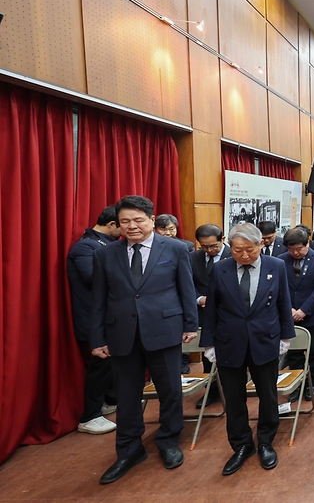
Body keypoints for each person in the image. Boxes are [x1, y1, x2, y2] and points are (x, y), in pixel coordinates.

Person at [88, 196, 199, 484]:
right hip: (121, 334)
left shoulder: (175, 248)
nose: (132, 226)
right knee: (126, 396)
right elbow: (98, 299)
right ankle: (128, 449)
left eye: (138, 220)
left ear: (152, 220)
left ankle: (168, 441)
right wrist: (97, 337)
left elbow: (186, 288)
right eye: (125, 221)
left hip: (164, 329)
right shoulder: (105, 254)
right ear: (118, 224)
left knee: (170, 390)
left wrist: (190, 323)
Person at [200, 223, 294, 475]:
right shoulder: (221, 269)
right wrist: (208, 343)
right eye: (237, 250)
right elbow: (212, 309)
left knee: (268, 393)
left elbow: (284, 302)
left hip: (265, 339)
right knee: (234, 398)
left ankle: (265, 441)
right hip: (229, 341)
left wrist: (286, 336)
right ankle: (241, 444)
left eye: (249, 250)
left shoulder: (276, 266)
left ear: (261, 244)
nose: (243, 256)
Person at [67, 206, 121, 436]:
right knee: (100, 366)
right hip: (94, 319)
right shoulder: (85, 246)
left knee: (110, 364)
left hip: (111, 316)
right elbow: (92, 277)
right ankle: (90, 416)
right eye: (122, 224)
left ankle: (109, 402)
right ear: (111, 224)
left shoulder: (104, 244)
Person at [278, 227, 314, 402]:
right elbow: (279, 289)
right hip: (289, 314)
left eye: (299, 248)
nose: (295, 253)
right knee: (293, 352)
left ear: (308, 243)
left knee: (313, 352)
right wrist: (290, 310)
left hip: (312, 314)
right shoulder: (280, 261)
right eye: (291, 250)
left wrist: (303, 311)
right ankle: (297, 383)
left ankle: (312, 382)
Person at [191, 224, 229, 408]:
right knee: (208, 355)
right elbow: (187, 284)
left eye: (213, 246)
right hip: (203, 313)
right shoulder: (193, 258)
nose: (209, 250)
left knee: (231, 354)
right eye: (204, 246)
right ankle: (212, 390)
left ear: (222, 239)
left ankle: (231, 390)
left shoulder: (234, 255)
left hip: (228, 313)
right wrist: (199, 299)